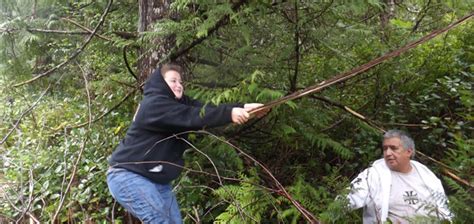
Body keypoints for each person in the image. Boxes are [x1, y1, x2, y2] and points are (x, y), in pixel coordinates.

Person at [106, 63, 268, 223]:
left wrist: (244, 107)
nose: (178, 85)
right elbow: (192, 116)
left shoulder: (179, 103)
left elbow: (206, 109)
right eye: (173, 81)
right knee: (158, 219)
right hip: (127, 175)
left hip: (155, 179)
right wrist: (230, 114)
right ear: (161, 84)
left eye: (180, 82)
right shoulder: (153, 104)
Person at [346, 129, 452, 223]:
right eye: (385, 148)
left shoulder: (427, 176)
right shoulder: (372, 176)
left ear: (409, 152)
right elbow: (345, 202)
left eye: (393, 148)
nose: (388, 153)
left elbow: (443, 209)